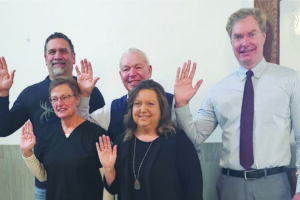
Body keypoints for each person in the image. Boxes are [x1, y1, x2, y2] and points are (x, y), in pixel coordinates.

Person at [174, 8, 300, 200]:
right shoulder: (219, 90)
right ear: (231, 42)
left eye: (251, 34)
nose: (244, 42)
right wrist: (181, 104)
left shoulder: (290, 80)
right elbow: (197, 136)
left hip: (273, 184)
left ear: (264, 37)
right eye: (238, 36)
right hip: (230, 186)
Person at [0, 32, 105, 200]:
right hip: (46, 185)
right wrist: (3, 94)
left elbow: (99, 133)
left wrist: (85, 95)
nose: (57, 56)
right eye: (52, 52)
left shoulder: (89, 91)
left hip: (85, 183)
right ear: (45, 58)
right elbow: (3, 129)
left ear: (73, 56)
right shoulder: (30, 94)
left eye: (63, 51)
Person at [96, 79, 203, 200]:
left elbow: (194, 190)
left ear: (162, 108)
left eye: (150, 104)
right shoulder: (122, 142)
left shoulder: (179, 142)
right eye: (137, 104)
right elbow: (114, 189)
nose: (143, 109)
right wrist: (109, 168)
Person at [20, 76, 106, 200]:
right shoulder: (47, 135)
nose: (59, 103)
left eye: (65, 97)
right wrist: (27, 152)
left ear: (77, 99)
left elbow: (107, 181)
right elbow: (44, 176)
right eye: (54, 99)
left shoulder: (96, 135)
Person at [78, 48, 174, 142]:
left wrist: (183, 104)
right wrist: (84, 95)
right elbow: (83, 126)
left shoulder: (171, 102)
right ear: (120, 75)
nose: (132, 74)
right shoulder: (112, 109)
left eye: (138, 67)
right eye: (126, 69)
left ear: (149, 70)